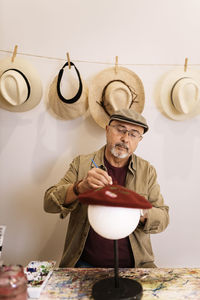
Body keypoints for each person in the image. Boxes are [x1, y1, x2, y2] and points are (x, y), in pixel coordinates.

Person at [44, 109, 169, 268]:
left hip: (136, 266)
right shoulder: (82, 164)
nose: (125, 139)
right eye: (120, 130)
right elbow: (49, 203)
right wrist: (80, 187)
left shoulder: (147, 171)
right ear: (107, 129)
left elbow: (164, 217)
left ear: (139, 140)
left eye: (133, 134)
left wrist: (138, 209)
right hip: (85, 264)